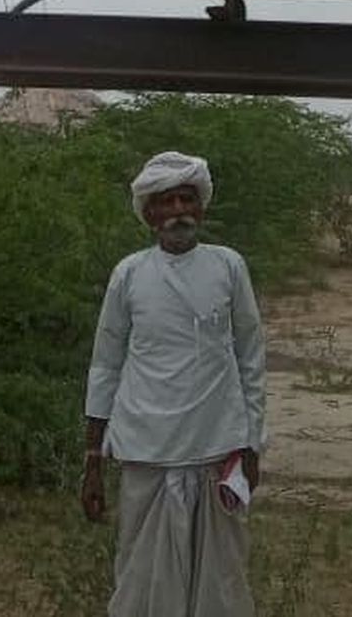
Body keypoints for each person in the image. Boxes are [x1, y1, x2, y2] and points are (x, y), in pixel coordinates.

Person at [83, 150, 266, 616]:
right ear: (149, 214)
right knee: (143, 577)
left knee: (219, 580)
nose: (179, 210)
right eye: (167, 201)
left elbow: (250, 355)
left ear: (201, 208)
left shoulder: (228, 266)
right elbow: (105, 365)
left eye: (187, 199)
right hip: (146, 448)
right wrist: (92, 459)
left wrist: (252, 443)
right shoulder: (129, 273)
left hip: (217, 445)